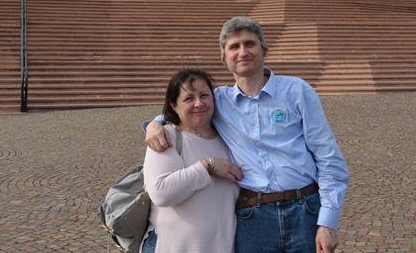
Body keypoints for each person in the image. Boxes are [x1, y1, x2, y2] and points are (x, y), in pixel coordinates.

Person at [146, 16, 349, 253]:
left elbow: (327, 156)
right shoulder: (220, 101)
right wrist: (153, 124)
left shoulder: (297, 90)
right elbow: (185, 110)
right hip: (253, 217)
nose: (242, 52)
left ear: (264, 49)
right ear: (224, 57)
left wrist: (328, 222)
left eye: (249, 44)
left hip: (305, 209)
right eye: (234, 46)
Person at [141, 68, 242, 253]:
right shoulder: (166, 137)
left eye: (204, 95)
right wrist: (207, 165)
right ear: (174, 105)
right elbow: (161, 192)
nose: (198, 103)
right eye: (188, 98)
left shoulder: (228, 139)